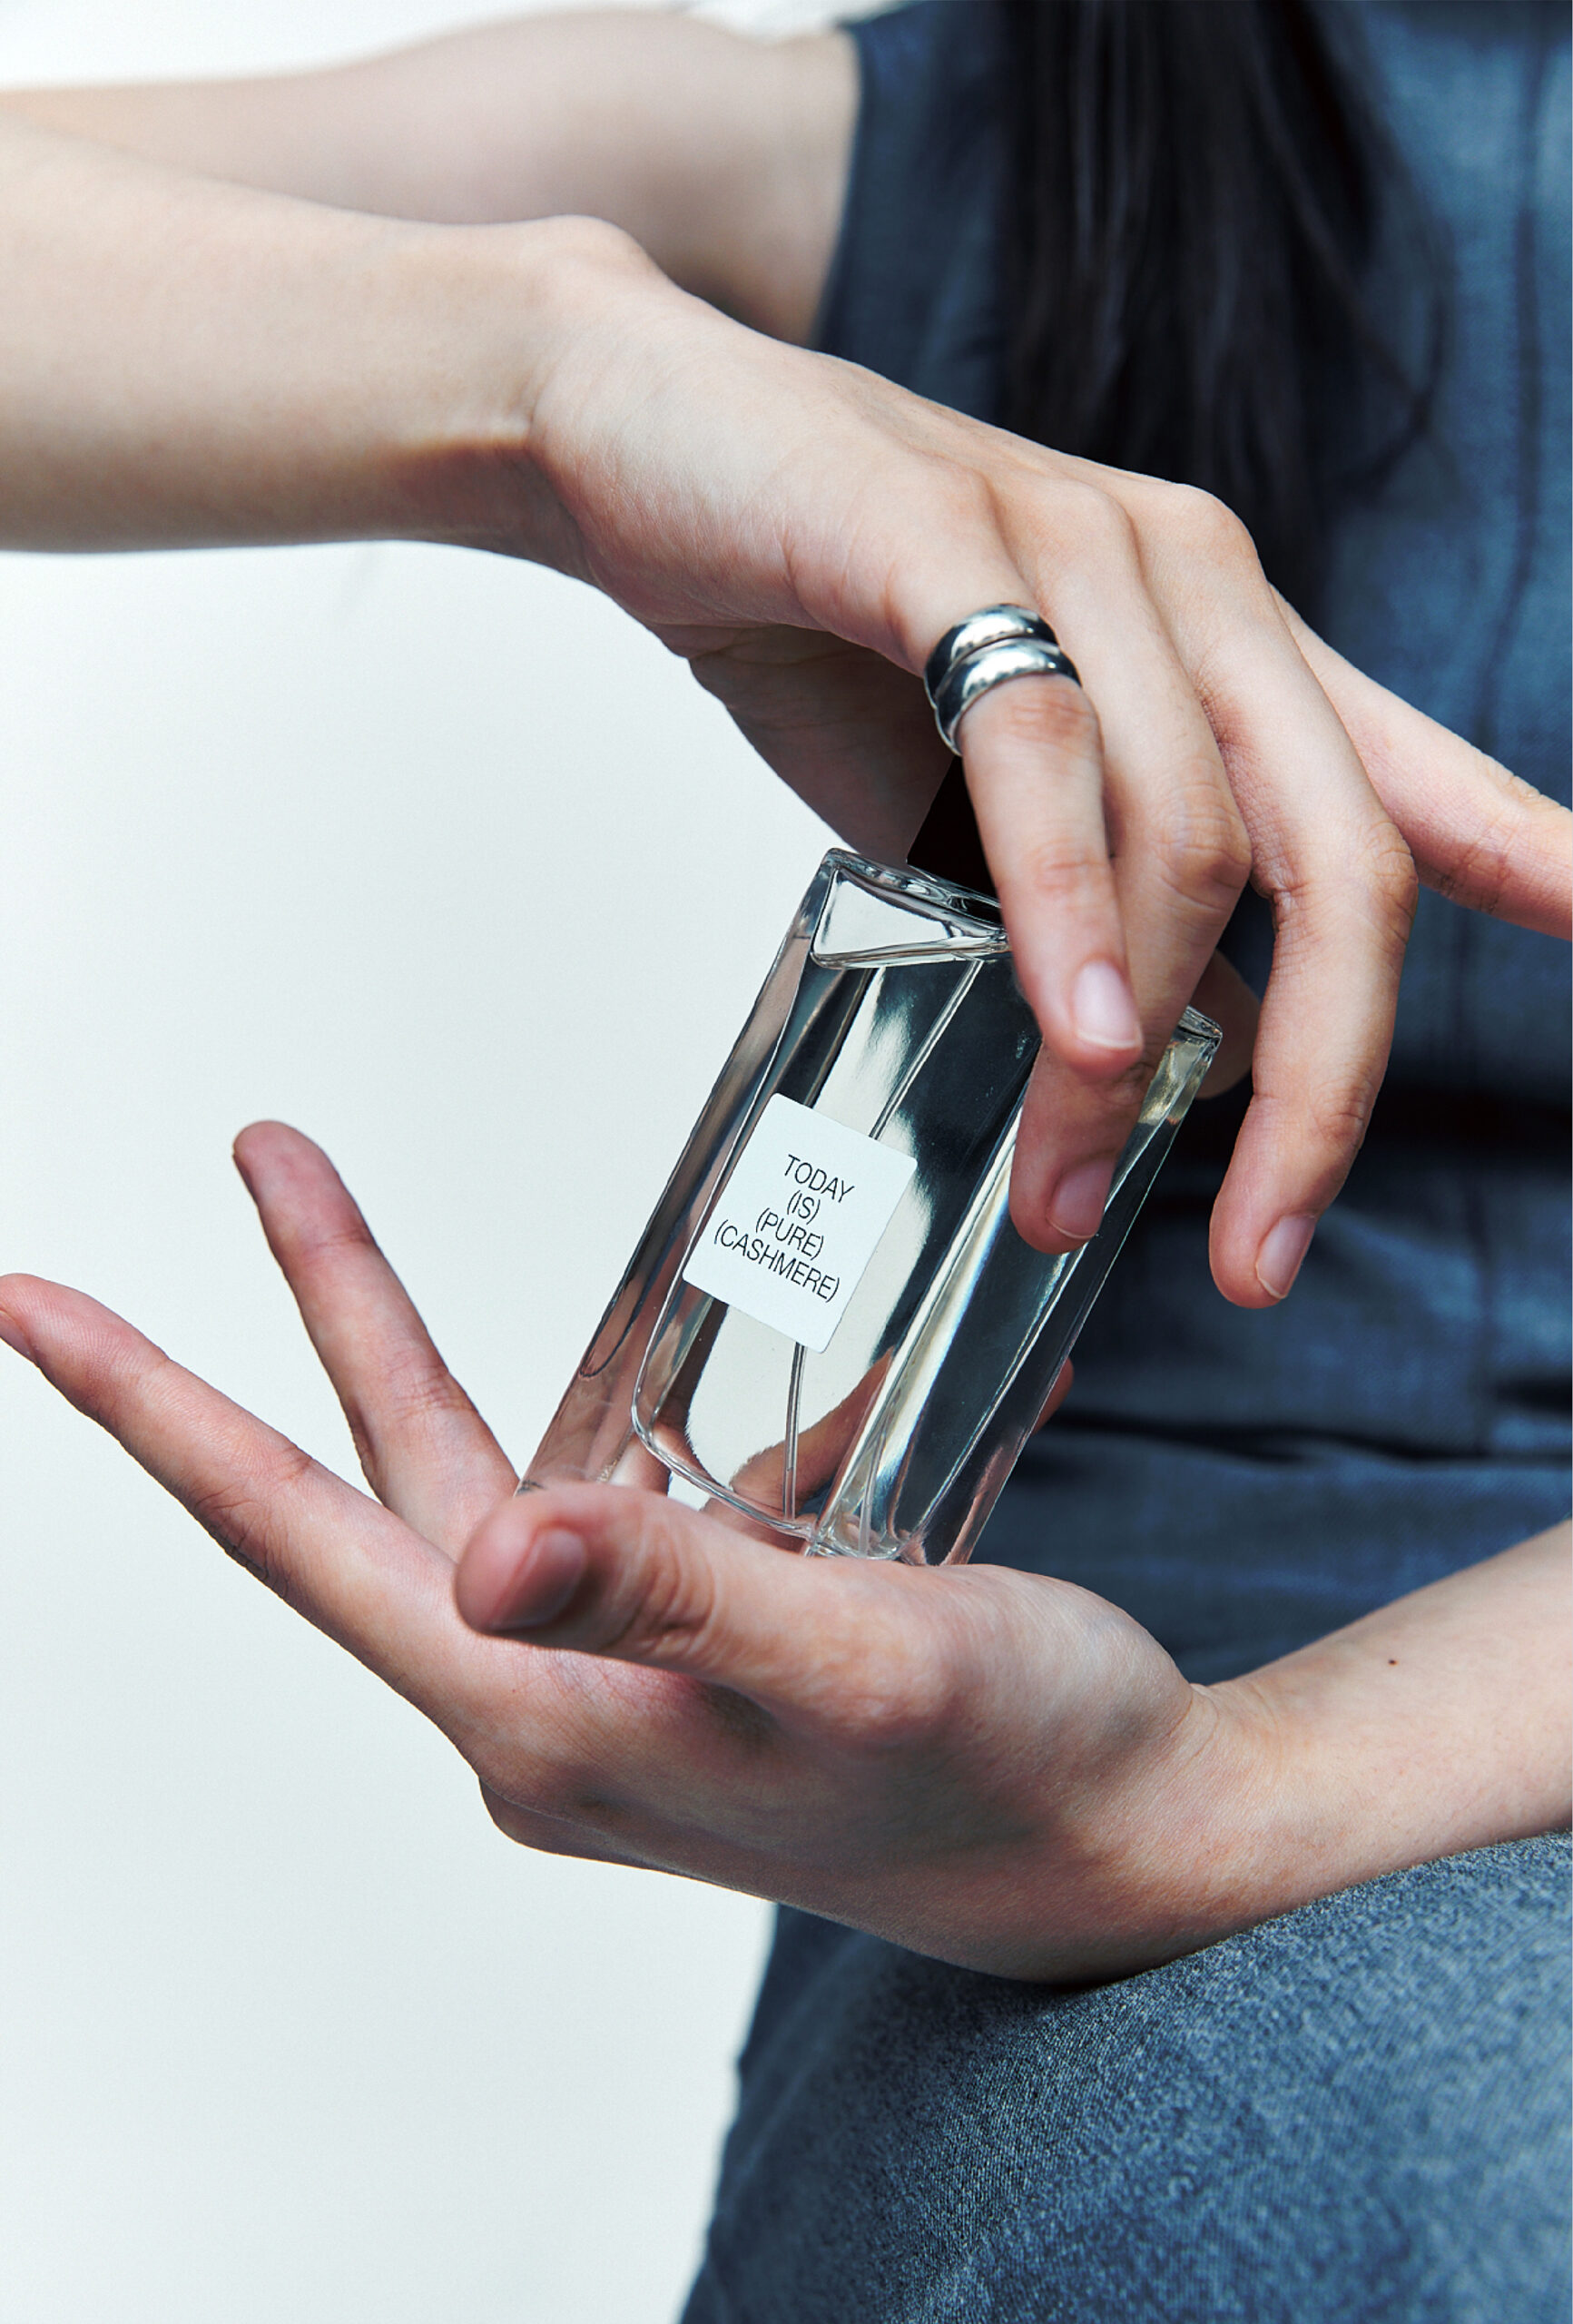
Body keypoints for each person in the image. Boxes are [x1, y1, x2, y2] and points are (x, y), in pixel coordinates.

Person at [0, 2, 1567, 2315]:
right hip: (1029, 1711)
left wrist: (1254, 1788)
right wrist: (550, 372)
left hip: (1177, 1773)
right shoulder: (917, 149)